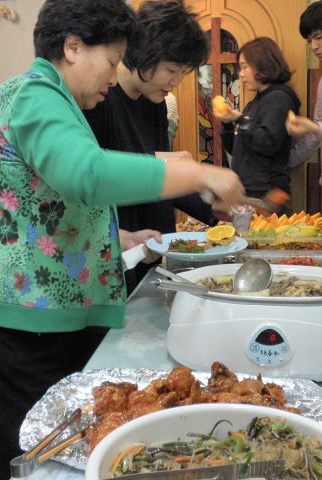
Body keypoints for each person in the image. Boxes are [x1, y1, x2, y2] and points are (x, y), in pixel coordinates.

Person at [0, 1, 244, 478]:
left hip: (40, 320)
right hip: (5, 325)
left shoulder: (62, 104)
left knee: (59, 457)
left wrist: (114, 237)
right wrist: (197, 172)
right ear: (73, 47)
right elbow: (87, 175)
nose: (114, 76)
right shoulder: (35, 94)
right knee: (29, 465)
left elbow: (42, 202)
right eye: (113, 60)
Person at [83, 0, 224, 291]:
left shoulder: (155, 104)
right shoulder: (99, 99)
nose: (176, 81)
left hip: (148, 249)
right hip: (109, 254)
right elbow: (97, 172)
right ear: (143, 53)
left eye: (183, 72)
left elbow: (161, 183)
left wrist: (213, 209)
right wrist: (165, 161)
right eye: (171, 69)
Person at [216, 36, 301, 200]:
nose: (241, 74)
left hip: (266, 194)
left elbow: (267, 143)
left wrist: (240, 119)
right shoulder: (253, 104)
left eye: (244, 67)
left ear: (262, 64)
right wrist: (227, 124)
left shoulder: (279, 98)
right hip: (249, 191)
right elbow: (235, 149)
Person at [286, 1, 322, 169]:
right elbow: (317, 134)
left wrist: (313, 127)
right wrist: (285, 163)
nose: (314, 46)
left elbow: (317, 129)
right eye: (309, 41)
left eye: (319, 37)